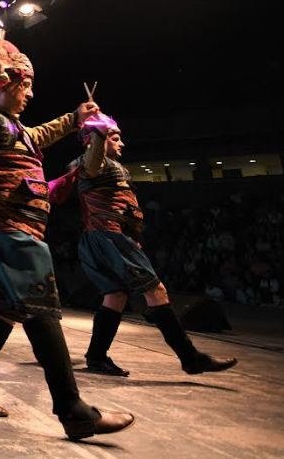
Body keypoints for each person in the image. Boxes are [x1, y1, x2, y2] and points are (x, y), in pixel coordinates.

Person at [0, 38, 133, 440]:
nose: (31, 94)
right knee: (41, 309)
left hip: (9, 234)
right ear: (6, 82)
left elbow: (42, 133)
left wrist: (75, 117)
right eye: (27, 84)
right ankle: (72, 410)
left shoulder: (16, 128)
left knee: (4, 310)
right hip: (7, 235)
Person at [73, 115, 236, 377]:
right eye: (115, 138)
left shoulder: (105, 165)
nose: (122, 143)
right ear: (97, 140)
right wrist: (99, 134)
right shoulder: (92, 163)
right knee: (156, 291)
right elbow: (93, 161)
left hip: (102, 237)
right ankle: (191, 358)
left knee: (115, 295)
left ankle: (96, 357)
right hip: (109, 237)